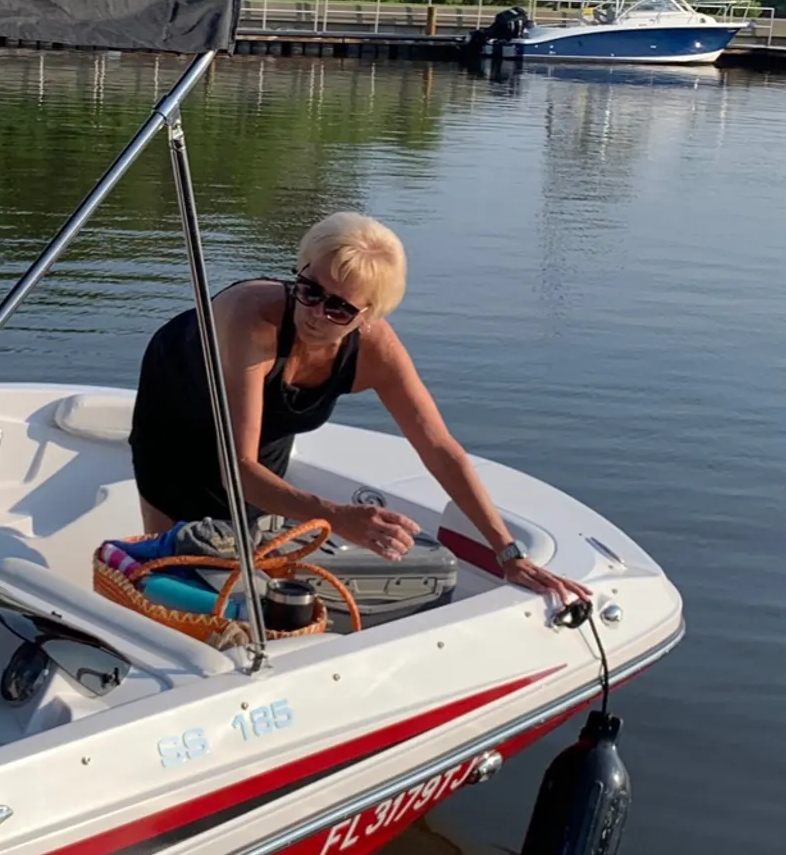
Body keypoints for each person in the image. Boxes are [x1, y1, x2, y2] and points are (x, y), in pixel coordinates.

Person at [129, 212, 588, 611]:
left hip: (263, 423)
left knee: (243, 545)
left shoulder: (377, 351)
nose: (315, 313)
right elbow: (238, 470)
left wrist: (507, 554)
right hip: (181, 402)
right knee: (177, 564)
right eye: (309, 289)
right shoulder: (256, 320)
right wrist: (336, 515)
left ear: (368, 315)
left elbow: (439, 448)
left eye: (340, 308)